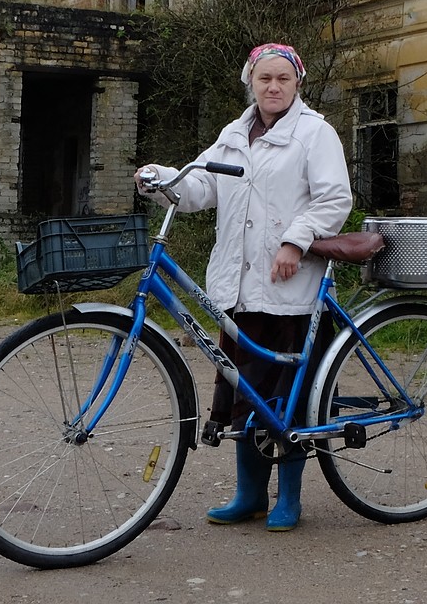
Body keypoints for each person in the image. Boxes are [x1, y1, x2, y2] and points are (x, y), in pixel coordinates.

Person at [134, 42, 352, 532]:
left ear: (298, 84)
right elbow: (200, 187)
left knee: (287, 398)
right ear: (250, 82)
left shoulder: (314, 134)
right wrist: (160, 178)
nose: (273, 88)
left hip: (290, 285)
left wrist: (295, 242)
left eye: (283, 80)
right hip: (238, 287)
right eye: (264, 79)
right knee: (243, 392)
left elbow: (335, 199)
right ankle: (248, 495)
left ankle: (288, 498)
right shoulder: (233, 135)